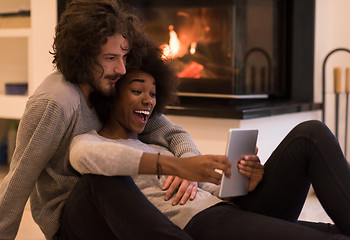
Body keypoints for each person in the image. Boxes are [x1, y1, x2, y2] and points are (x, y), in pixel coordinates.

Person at [69, 44, 350, 240]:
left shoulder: (159, 142)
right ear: (112, 96)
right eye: (137, 90)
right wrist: (176, 167)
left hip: (230, 210)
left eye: (154, 93)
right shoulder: (91, 143)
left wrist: (245, 182)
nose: (148, 99)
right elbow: (84, 157)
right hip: (201, 225)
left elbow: (211, 191)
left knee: (311, 133)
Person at [0, 0, 215, 239]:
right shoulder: (54, 103)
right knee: (102, 175)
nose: (122, 69)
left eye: (123, 56)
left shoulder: (108, 84)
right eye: (111, 58)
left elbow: (170, 132)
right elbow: (17, 184)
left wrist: (188, 164)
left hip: (118, 211)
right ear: (82, 55)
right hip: (74, 217)